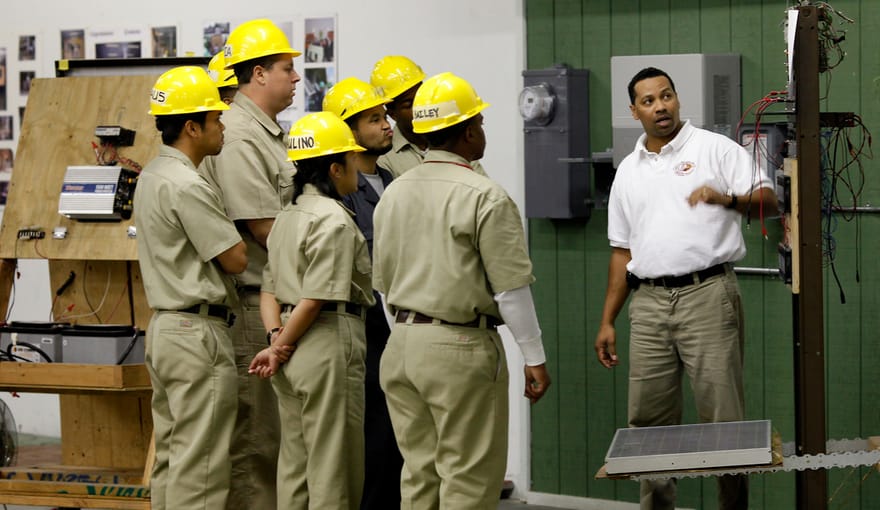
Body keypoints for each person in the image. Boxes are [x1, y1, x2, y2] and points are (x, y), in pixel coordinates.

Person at [594, 67, 778, 510]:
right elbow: (622, 252)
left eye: (667, 96)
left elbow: (769, 202)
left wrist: (726, 199)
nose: (660, 107)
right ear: (634, 110)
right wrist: (607, 320)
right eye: (649, 101)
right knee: (649, 423)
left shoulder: (715, 149)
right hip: (650, 303)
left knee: (724, 421)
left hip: (708, 295)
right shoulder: (628, 173)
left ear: (678, 99)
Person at [372, 72, 551, 509]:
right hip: (460, 346)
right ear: (469, 132)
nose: (483, 131)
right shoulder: (485, 195)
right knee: (468, 479)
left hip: (401, 346)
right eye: (481, 123)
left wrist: (408, 333)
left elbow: (383, 284)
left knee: (419, 474)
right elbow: (510, 289)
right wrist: (534, 356)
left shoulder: (392, 193)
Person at [198, 18, 301, 510]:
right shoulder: (240, 135)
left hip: (272, 302)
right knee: (256, 446)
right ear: (258, 74)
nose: (296, 77)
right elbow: (265, 228)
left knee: (271, 441)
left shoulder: (265, 133)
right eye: (287, 68)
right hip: (251, 303)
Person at [249, 111, 374, 509]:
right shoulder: (333, 219)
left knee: (296, 464)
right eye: (351, 161)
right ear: (335, 169)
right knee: (332, 465)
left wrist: (275, 341)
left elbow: (269, 289)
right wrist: (282, 344)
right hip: (323, 341)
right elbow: (317, 297)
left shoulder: (287, 217)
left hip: (288, 346)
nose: (357, 168)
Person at [135, 66, 245, 509]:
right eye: (216, 120)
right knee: (201, 469)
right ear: (192, 127)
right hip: (196, 334)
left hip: (164, 329)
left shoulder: (151, 175)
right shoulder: (187, 184)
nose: (222, 128)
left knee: (174, 458)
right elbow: (235, 258)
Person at [322, 77, 403, 510]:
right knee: (375, 431)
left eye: (385, 116)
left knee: (397, 431)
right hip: (365, 322)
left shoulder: (388, 177)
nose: (386, 125)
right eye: (374, 120)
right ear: (347, 130)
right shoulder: (340, 193)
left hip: (398, 318)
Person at [370, 56, 487, 178]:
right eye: (409, 104)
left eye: (421, 97)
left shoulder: (452, 138)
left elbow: (480, 185)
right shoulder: (385, 158)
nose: (419, 107)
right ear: (393, 114)